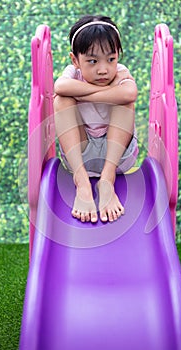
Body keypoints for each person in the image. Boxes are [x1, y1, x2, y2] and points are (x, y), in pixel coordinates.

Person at [54, 15, 138, 224]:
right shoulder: (73, 73)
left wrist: (82, 93)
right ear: (75, 60)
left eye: (111, 59)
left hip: (118, 157)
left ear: (118, 55)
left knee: (124, 103)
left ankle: (106, 181)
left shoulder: (121, 72)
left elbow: (129, 94)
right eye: (92, 61)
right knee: (62, 100)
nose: (103, 69)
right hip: (80, 153)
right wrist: (110, 91)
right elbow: (60, 88)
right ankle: (82, 181)